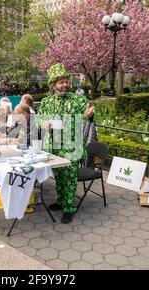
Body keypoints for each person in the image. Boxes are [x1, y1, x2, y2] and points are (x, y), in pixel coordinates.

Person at [37, 63, 94, 224]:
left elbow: (88, 111)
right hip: (53, 147)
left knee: (69, 178)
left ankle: (69, 208)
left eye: (66, 82)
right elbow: (38, 119)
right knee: (59, 177)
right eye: (61, 82)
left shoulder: (77, 99)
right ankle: (61, 201)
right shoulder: (46, 102)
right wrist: (42, 123)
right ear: (53, 84)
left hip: (71, 147)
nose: (65, 85)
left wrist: (89, 114)